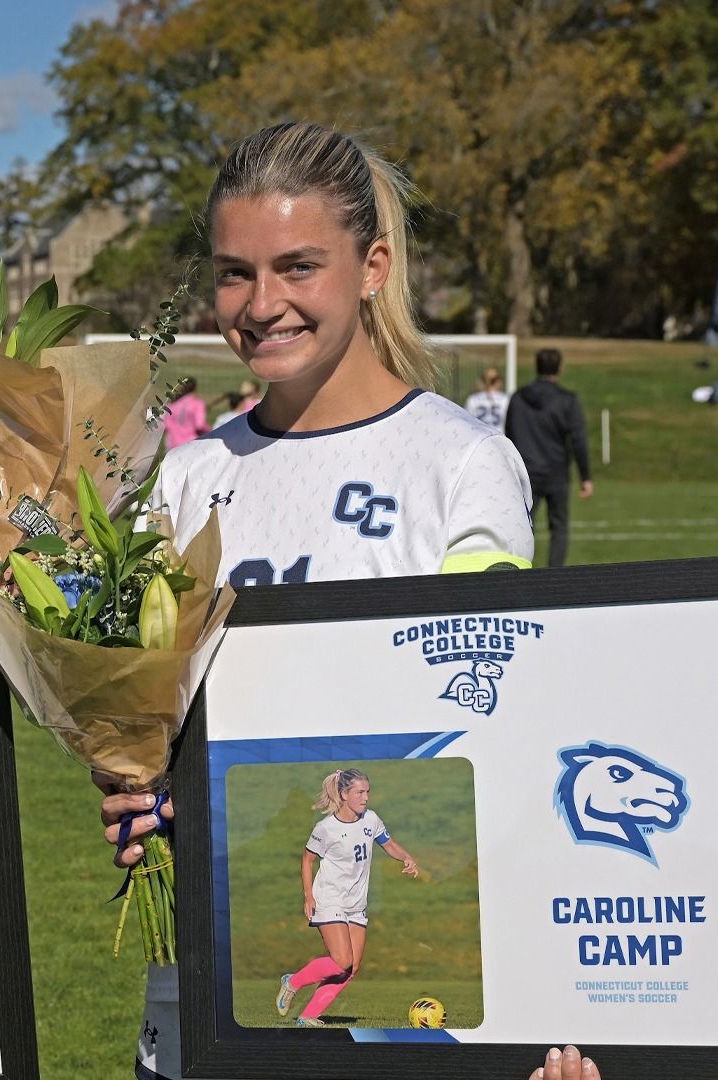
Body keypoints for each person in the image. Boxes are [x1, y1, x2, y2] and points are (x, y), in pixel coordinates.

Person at [102, 121, 535, 1080]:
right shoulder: (186, 477)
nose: (260, 306)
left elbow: (486, 723)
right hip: (206, 960)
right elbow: (142, 714)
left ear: (373, 264)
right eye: (233, 274)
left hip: (399, 980)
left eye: (298, 267)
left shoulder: (464, 464)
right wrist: (132, 783)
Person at [275, 769, 418, 1027]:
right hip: (329, 898)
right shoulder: (326, 828)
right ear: (344, 794)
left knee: (350, 969)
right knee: (342, 960)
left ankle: (307, 1017)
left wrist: (407, 857)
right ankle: (293, 982)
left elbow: (389, 844)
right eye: (360, 792)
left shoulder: (371, 819)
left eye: (367, 792)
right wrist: (308, 895)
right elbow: (307, 860)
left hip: (356, 903)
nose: (365, 798)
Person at [504, 348, 593, 567]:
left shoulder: (518, 398)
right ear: (560, 367)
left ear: (536, 366)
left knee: (521, 526)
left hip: (526, 472)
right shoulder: (567, 400)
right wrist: (586, 476)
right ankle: (556, 578)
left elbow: (509, 435)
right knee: (559, 526)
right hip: (556, 471)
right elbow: (578, 439)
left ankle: (518, 568)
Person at [161, 377, 209, 448]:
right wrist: (210, 430)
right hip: (191, 445)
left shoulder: (173, 404)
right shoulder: (197, 404)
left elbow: (165, 425)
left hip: (173, 444)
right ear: (195, 389)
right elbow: (199, 425)